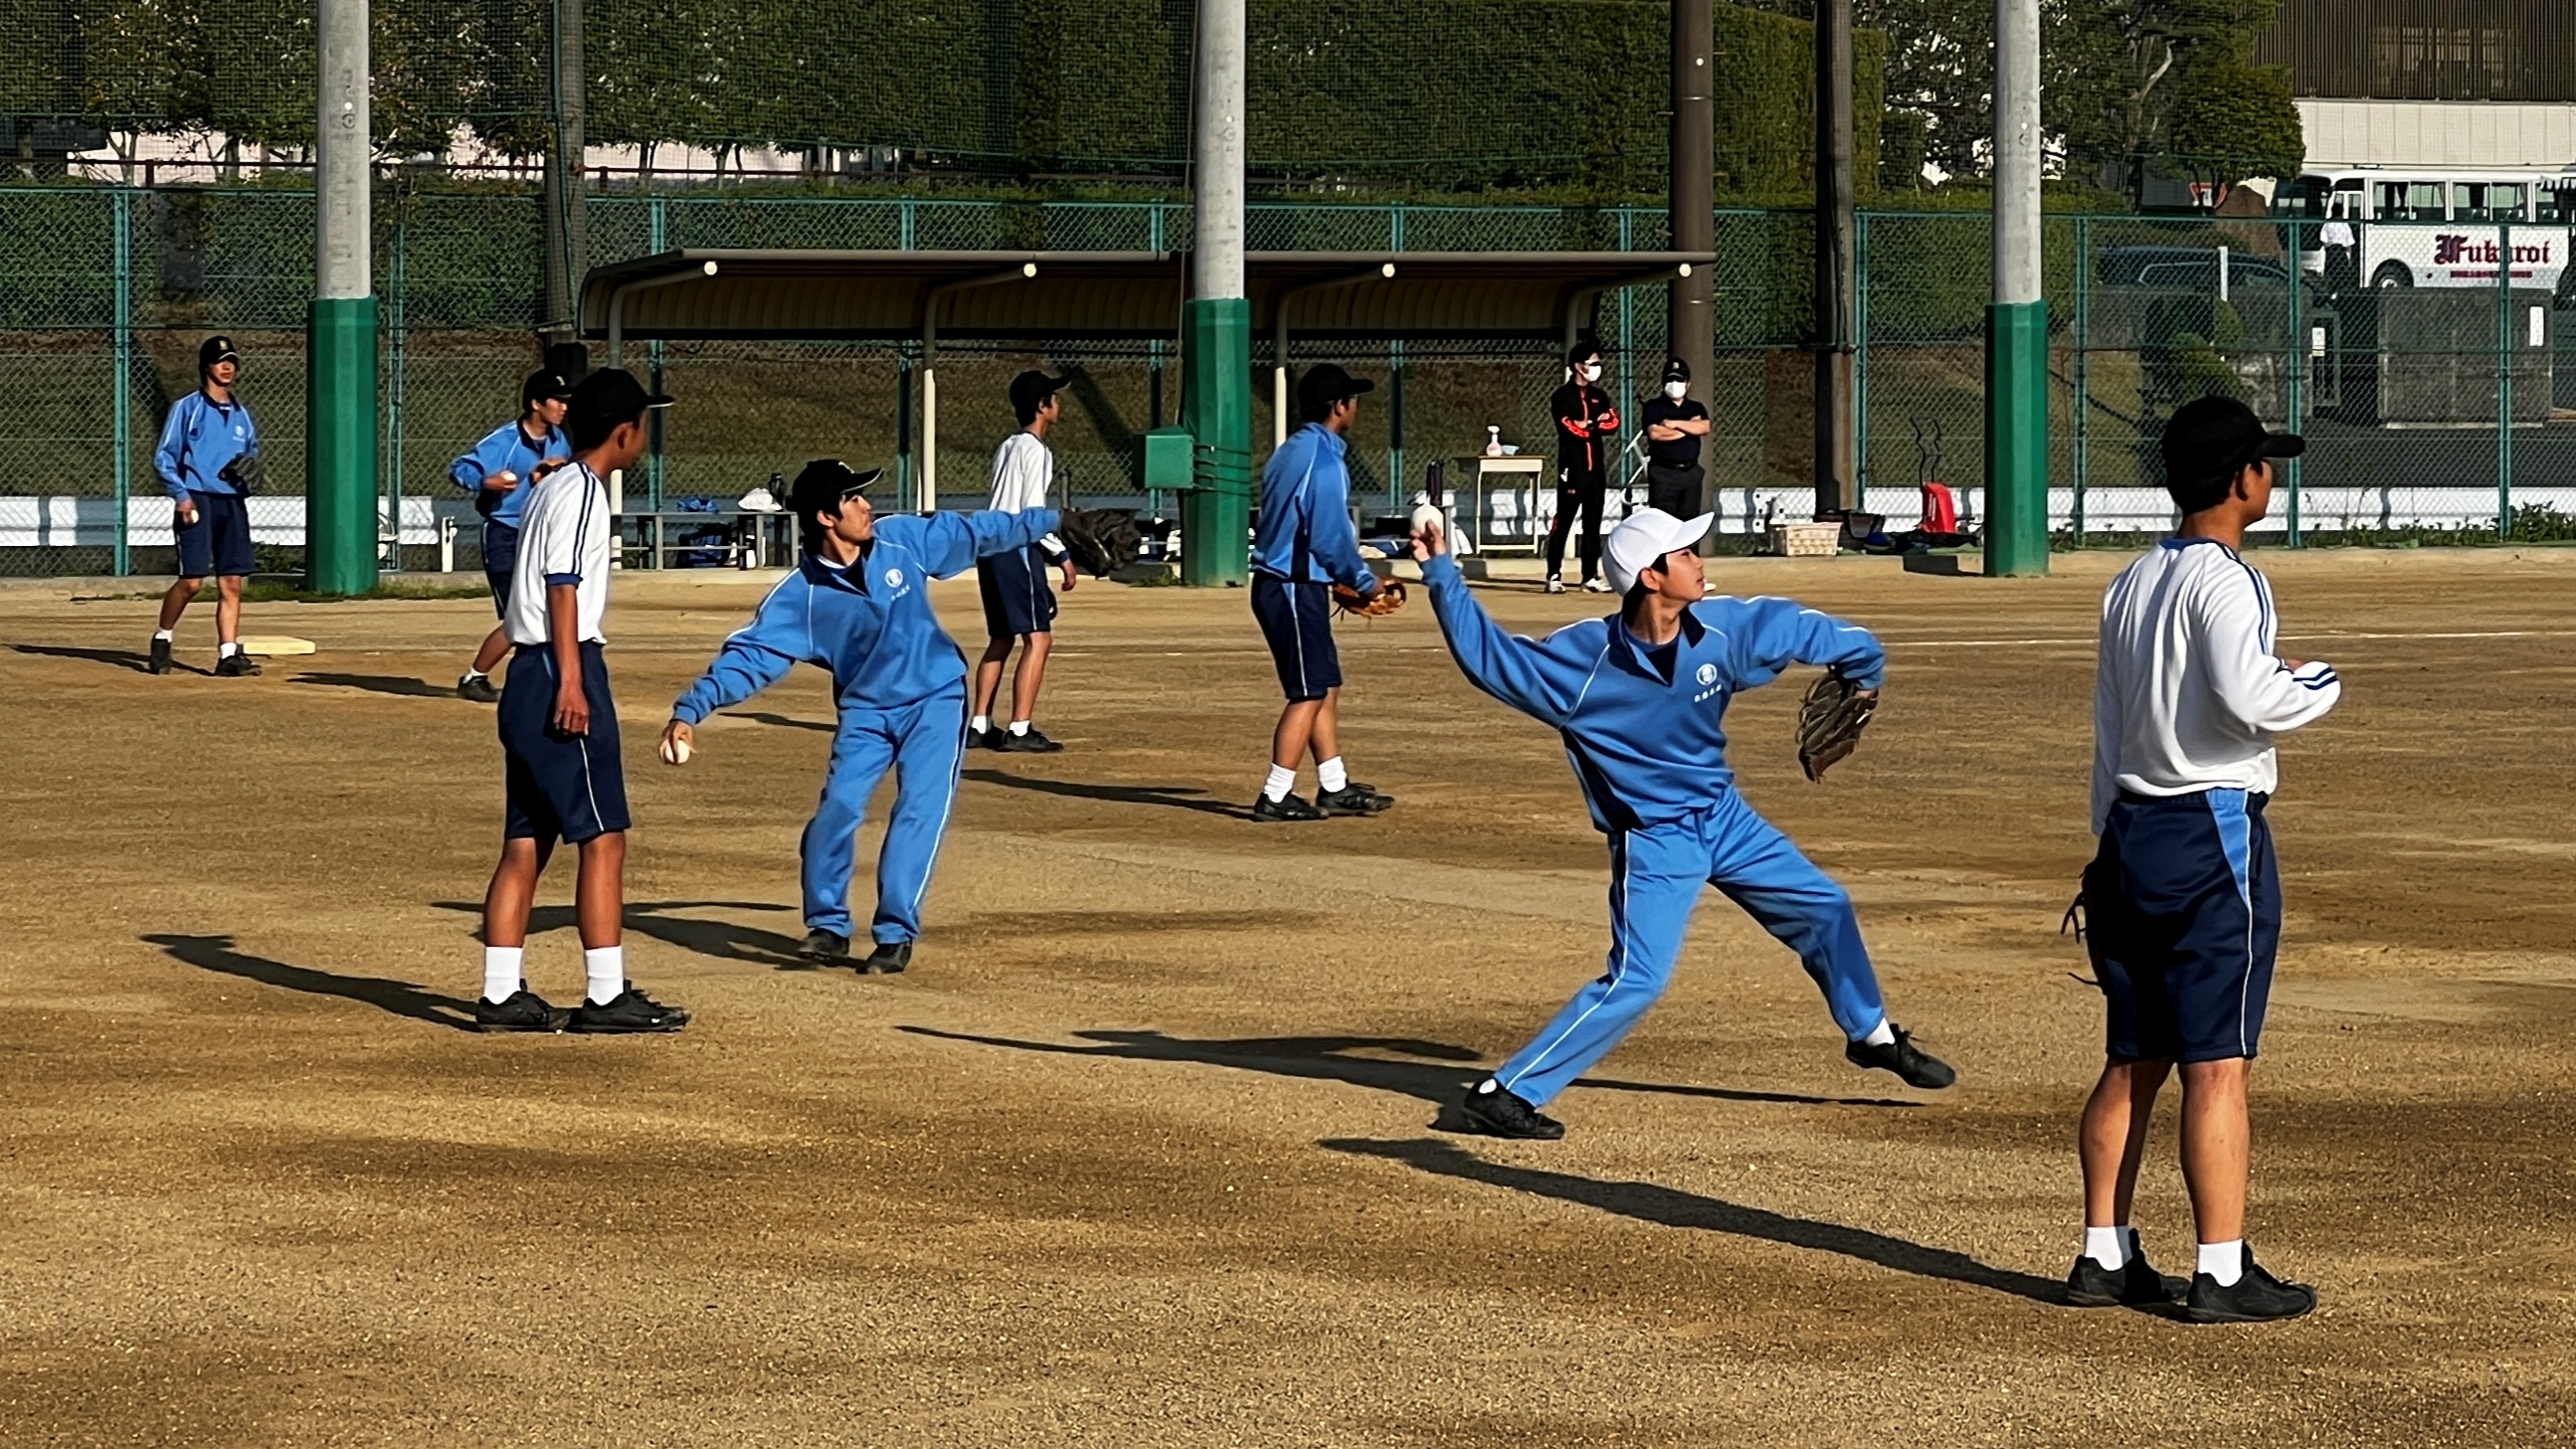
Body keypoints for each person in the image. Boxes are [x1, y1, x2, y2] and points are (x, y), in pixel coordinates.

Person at [1413, 505, 1955, 1141]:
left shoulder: (1719, 632)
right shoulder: (1582, 663)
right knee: (1638, 978)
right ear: (1650, 575)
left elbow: (1796, 627)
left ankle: (1871, 1035)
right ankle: (1504, 1091)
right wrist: (1443, 573)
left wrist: (1865, 667)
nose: (1701, 562)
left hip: (1725, 820)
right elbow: (1489, 658)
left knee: (1824, 906)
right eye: (1686, 553)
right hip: (1655, 838)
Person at [2071, 395, 2340, 1324]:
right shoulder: (2230, 579)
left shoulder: (2133, 578)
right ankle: (2219, 1267)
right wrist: (2317, 683)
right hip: (2212, 829)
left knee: (2132, 1053)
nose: (2273, 475)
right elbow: (2248, 694)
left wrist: (2105, 841)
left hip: (2134, 828)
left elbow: (2109, 727)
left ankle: (2102, 1250)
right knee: (2218, 1060)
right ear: (2240, 480)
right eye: (2266, 462)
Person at [659, 459, 1063, 974]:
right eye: (853, 498)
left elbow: (977, 530)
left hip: (937, 699)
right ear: (826, 517)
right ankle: (827, 926)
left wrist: (1056, 522)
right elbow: (750, 656)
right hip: (866, 712)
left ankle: (894, 933)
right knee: (838, 810)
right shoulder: (800, 596)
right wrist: (691, 710)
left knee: (918, 810)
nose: (867, 504)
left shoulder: (900, 540)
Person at [473, 368, 690, 1034]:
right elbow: (562, 585)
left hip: (527, 672)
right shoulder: (586, 491)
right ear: (623, 432)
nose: (645, 435)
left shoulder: (549, 483)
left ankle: (500, 994)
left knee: (526, 841)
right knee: (604, 837)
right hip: (560, 668)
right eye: (643, 423)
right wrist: (572, 679)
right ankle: (603, 993)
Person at [1247, 363, 1397, 822]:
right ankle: (1275, 794)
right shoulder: (1323, 458)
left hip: (1293, 582)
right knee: (1308, 692)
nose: (1354, 406)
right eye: (1351, 398)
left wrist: (1329, 576)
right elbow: (1329, 534)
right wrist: (1363, 580)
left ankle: (1333, 784)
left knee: (1324, 686)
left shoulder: (1294, 449)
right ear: (1339, 406)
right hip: (1290, 586)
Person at [970, 370, 1080, 753]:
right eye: (1053, 397)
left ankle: (980, 723)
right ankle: (1019, 729)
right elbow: (1031, 512)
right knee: (1039, 638)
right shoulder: (1036, 450)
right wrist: (1061, 554)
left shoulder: (1008, 445)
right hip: (1016, 548)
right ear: (1042, 406)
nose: (1058, 404)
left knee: (1001, 637)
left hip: (990, 545)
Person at [453, 370, 575, 702]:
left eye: (566, 401)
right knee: (519, 616)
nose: (564, 407)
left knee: (542, 610)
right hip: (505, 534)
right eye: (557, 401)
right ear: (536, 403)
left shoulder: (558, 439)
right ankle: (475, 677)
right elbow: (460, 469)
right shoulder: (505, 441)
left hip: (539, 533)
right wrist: (486, 482)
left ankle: (515, 680)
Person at [150, 335, 264, 676]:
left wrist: (250, 465)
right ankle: (163, 636)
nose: (227, 366)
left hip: (231, 501)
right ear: (206, 367)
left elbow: (252, 452)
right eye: (220, 361)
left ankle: (228, 654)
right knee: (193, 581)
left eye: (232, 361)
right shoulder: (188, 407)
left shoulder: (242, 413)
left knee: (231, 582)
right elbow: (165, 456)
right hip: (197, 498)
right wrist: (181, 495)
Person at [1545, 342, 1620, 595]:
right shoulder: (1561, 397)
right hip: (1572, 469)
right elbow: (1568, 428)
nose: (1598, 367)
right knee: (1563, 521)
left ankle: (1590, 575)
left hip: (1596, 469)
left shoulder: (1600, 395)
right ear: (1579, 366)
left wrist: (1590, 425)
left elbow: (1613, 423)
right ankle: (1554, 575)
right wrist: (1592, 424)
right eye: (1593, 362)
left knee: (1593, 523)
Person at [1638, 356, 1712, 518]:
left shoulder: (1695, 407)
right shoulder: (1654, 407)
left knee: (1689, 524)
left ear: (1688, 383)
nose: (1675, 384)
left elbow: (1704, 427)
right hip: (1664, 474)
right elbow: (1655, 433)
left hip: (1690, 473)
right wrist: (1689, 428)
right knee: (1664, 523)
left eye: (1679, 380)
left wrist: (1673, 424)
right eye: (1670, 379)